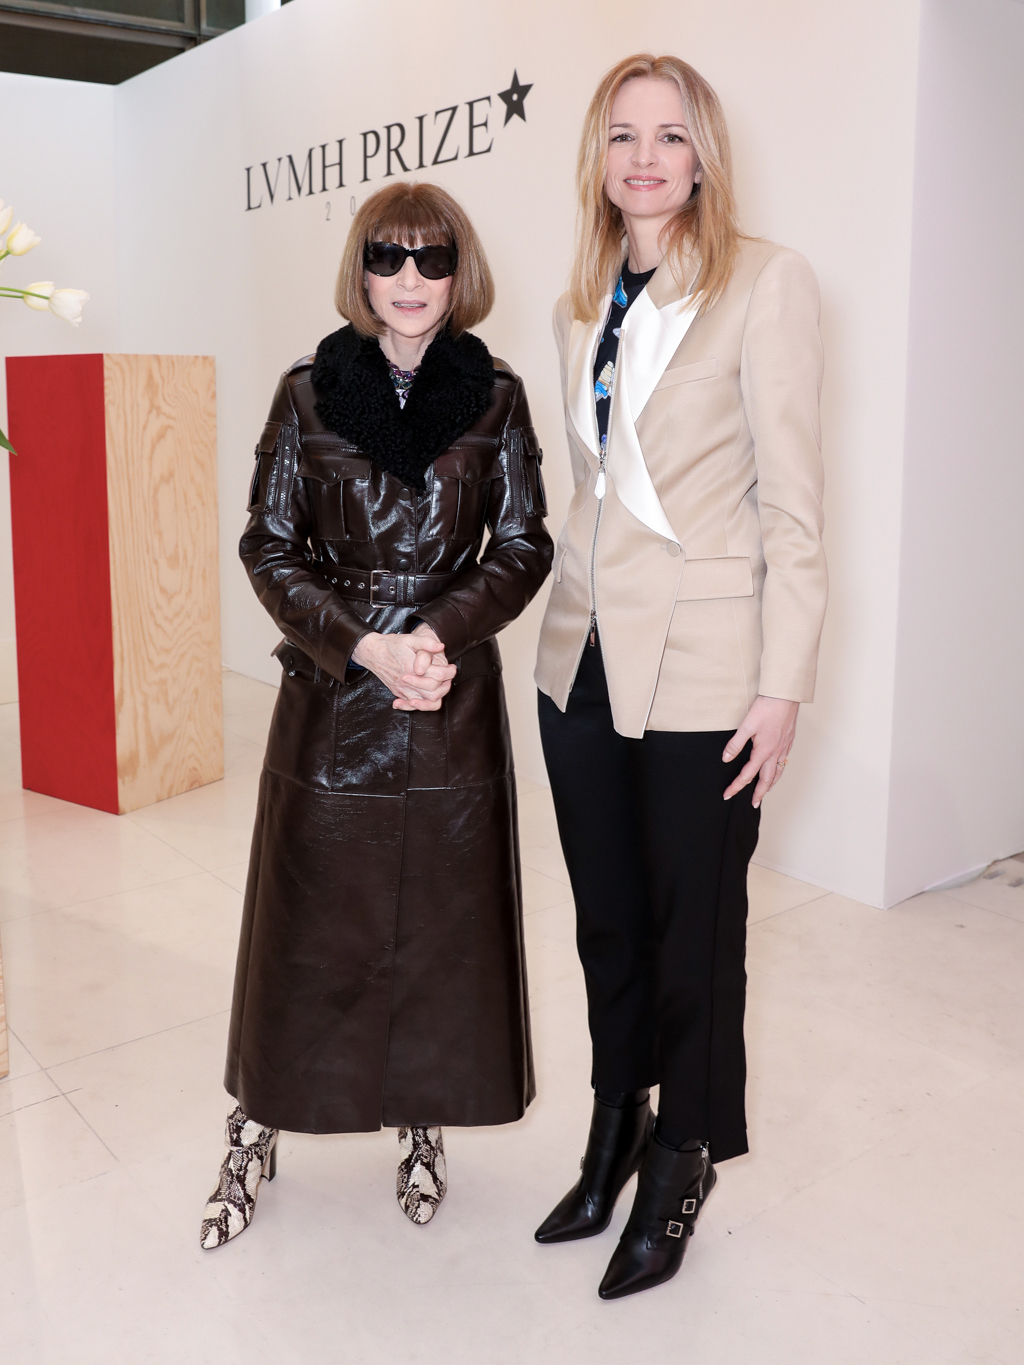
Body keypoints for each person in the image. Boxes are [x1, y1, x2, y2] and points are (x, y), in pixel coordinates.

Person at [200, 181, 552, 1249]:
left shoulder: (495, 395)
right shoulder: (308, 392)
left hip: (448, 696)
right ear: (360, 270)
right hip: (333, 695)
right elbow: (268, 545)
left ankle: (423, 1117)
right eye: (388, 257)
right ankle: (255, 1127)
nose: (410, 279)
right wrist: (363, 644)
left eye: (432, 259)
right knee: (304, 931)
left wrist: (434, 635)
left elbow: (524, 544)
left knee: (441, 929)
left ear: (459, 272)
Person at [534, 54, 827, 1299]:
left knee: (693, 931)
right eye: (622, 136)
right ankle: (615, 1121)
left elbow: (793, 507)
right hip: (580, 658)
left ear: (702, 153)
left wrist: (782, 682)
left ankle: (680, 1157)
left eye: (667, 135)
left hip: (707, 665)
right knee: (606, 920)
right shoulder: (577, 302)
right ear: (598, 159)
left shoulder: (764, 281)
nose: (643, 158)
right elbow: (589, 491)